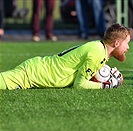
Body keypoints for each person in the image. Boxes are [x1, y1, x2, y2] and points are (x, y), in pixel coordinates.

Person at [0, 24, 132, 90]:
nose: (128, 48)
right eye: (127, 43)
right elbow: (79, 85)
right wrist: (106, 85)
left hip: (36, 69)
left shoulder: (99, 48)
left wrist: (106, 72)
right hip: (32, 74)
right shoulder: (97, 53)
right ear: (116, 43)